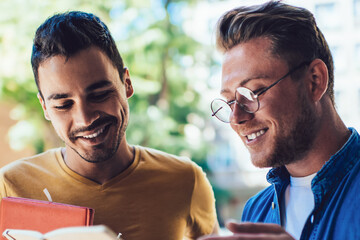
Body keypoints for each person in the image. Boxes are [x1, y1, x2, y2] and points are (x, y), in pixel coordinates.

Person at [0, 11, 218, 240]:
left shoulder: (185, 180)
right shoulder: (10, 188)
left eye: (100, 94)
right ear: (45, 107)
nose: (85, 119)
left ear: (127, 84)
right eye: (64, 105)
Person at [200, 1, 360, 239]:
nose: (237, 118)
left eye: (252, 92)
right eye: (230, 101)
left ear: (314, 81)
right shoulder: (256, 212)